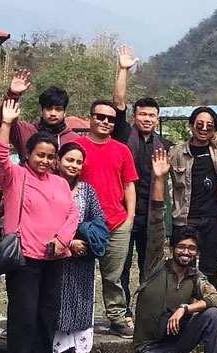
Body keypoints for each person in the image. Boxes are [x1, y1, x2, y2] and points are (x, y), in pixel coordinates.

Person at [0, 99, 81, 353]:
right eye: (39, 155)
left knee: (47, 314)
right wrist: (7, 124)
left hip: (54, 257)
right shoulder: (15, 176)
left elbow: (72, 213)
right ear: (27, 154)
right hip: (25, 258)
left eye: (50, 156)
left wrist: (62, 239)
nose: (44, 160)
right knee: (24, 314)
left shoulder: (59, 182)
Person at [134, 150, 217, 353]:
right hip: (149, 347)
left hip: (175, 344)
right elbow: (156, 222)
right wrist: (159, 179)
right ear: (172, 248)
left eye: (192, 248)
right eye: (182, 247)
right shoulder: (155, 266)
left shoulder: (194, 276)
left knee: (212, 315)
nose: (186, 252)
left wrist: (185, 308)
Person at [73, 70, 140, 337]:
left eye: (110, 119)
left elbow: (129, 184)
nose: (105, 122)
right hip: (84, 223)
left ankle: (116, 317)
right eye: (100, 117)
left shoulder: (121, 150)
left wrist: (130, 216)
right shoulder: (76, 147)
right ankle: (79, 320)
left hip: (117, 222)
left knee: (114, 276)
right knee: (81, 275)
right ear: (90, 118)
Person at [110, 46, 174, 314]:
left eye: (151, 115)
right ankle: (123, 312)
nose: (147, 119)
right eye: (142, 114)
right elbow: (118, 103)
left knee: (152, 266)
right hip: (124, 212)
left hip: (152, 215)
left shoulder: (165, 146)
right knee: (122, 266)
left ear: (157, 118)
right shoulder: (124, 135)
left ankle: (148, 310)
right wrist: (123, 70)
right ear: (135, 116)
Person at [166, 86, 217, 286]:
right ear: (191, 126)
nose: (204, 129)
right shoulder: (176, 152)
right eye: (200, 124)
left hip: (214, 219)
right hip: (186, 219)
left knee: (210, 268)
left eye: (209, 126)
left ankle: (207, 303)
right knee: (183, 266)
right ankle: (182, 302)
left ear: (215, 129)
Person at [50, 143, 105, 353]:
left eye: (78, 162)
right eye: (69, 160)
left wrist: (86, 239)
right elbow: (44, 218)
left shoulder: (87, 191)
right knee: (60, 300)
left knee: (82, 300)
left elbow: (99, 217)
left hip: (83, 256)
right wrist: (68, 242)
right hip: (57, 254)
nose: (73, 165)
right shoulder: (49, 186)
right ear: (58, 161)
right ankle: (58, 349)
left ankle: (78, 348)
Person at [0, 69, 80, 160]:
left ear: (65, 112)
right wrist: (13, 94)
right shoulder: (25, 131)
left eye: (58, 109)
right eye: (49, 108)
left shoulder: (75, 140)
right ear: (42, 110)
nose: (53, 113)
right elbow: (6, 121)